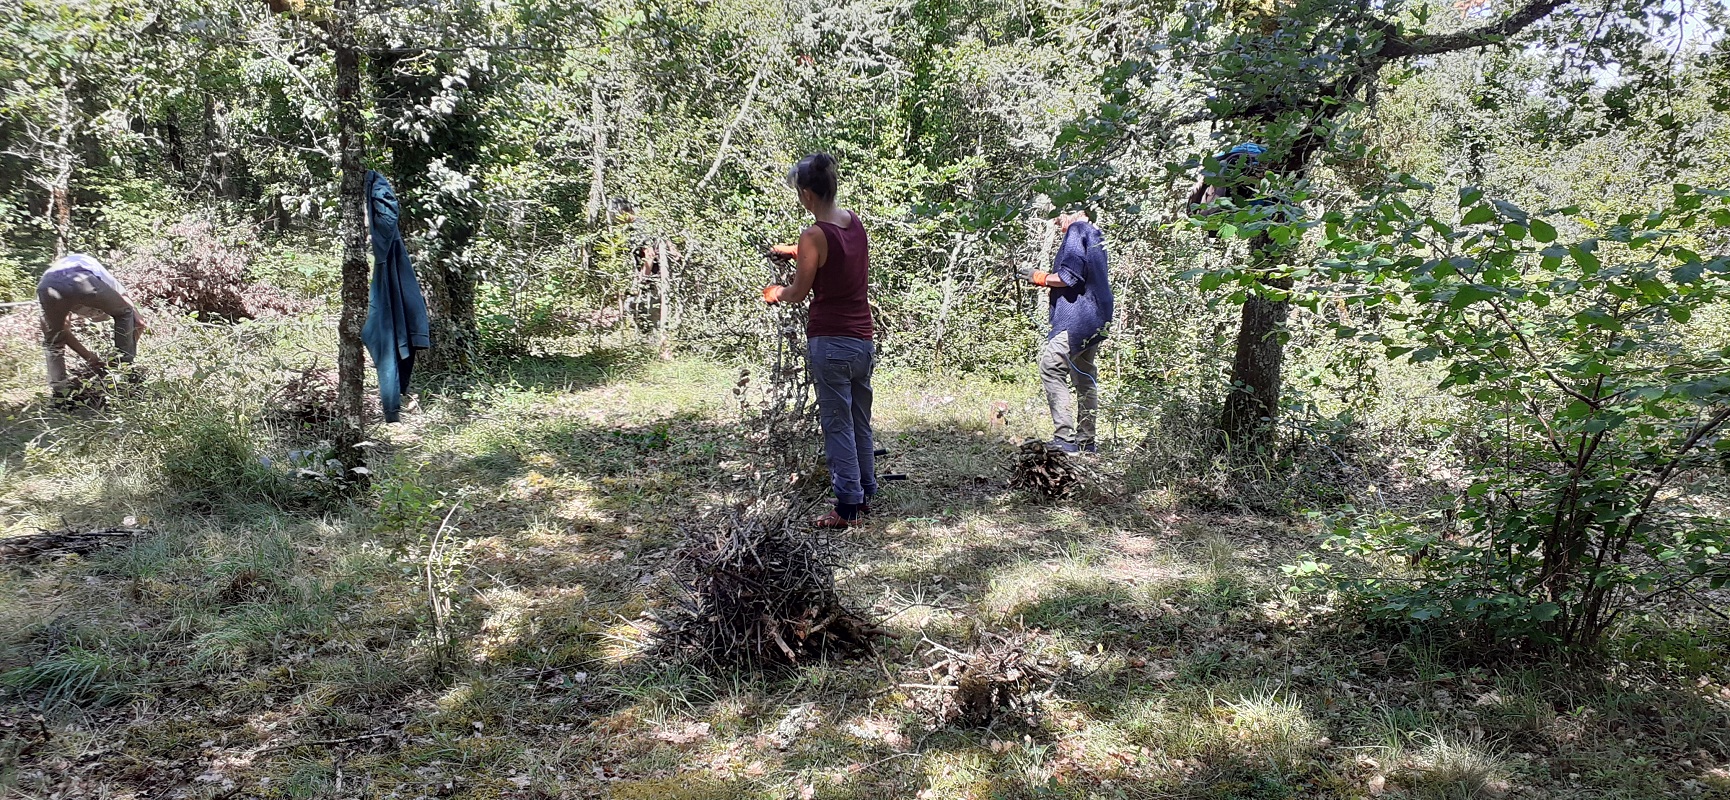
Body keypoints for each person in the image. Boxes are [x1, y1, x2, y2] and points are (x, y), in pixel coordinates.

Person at [763, 153, 877, 528]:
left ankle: (846, 508)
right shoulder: (853, 222)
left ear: (807, 194)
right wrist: (796, 251)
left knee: (837, 425)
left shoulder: (813, 235)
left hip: (831, 343)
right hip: (862, 341)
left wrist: (775, 292)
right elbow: (839, 254)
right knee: (859, 420)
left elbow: (798, 292)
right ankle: (865, 491)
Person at [1019, 211, 1113, 454]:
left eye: (1059, 218)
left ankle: (1065, 439)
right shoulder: (1096, 234)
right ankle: (1086, 441)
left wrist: (1039, 277)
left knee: (1051, 366)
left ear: (1072, 212)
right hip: (1097, 317)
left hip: (1077, 319)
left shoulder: (1078, 230)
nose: (1058, 224)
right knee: (1084, 376)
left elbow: (1068, 277)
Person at [36, 253, 147, 393]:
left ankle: (60, 393)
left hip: (45, 287)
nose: (92, 316)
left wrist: (89, 357)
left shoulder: (53, 277)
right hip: (81, 280)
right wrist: (125, 353)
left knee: (53, 343)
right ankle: (124, 374)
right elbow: (136, 319)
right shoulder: (107, 280)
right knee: (124, 312)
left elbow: (61, 331)